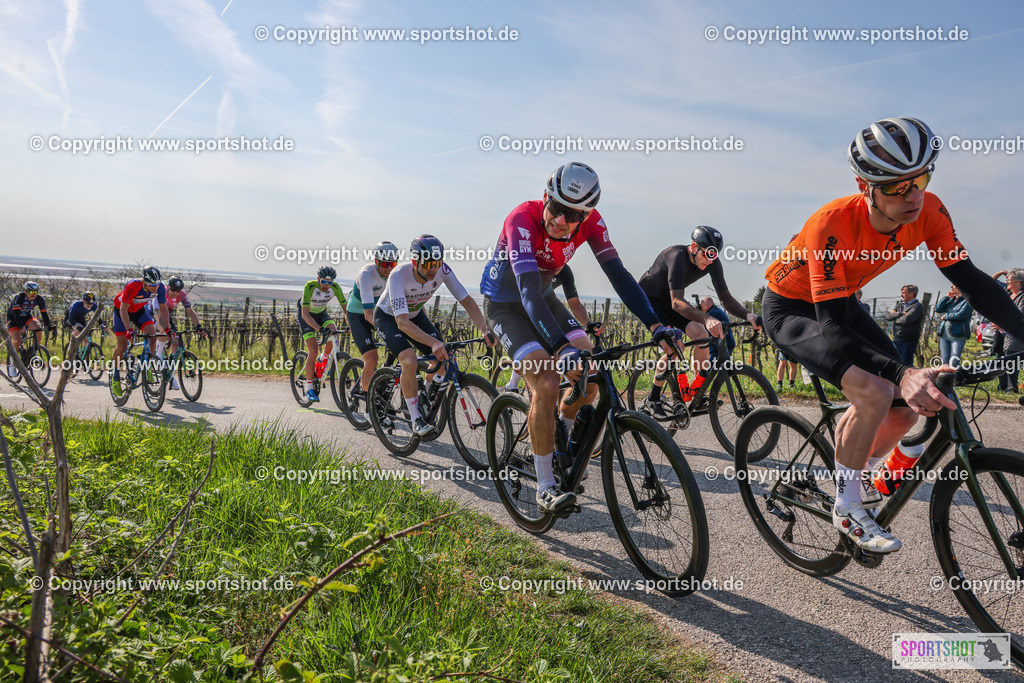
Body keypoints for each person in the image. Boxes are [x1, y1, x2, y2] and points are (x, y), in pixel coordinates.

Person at [762, 116, 1024, 554]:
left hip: (841, 300)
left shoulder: (931, 211)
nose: (913, 196)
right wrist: (902, 373)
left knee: (904, 414)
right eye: (897, 187)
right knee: (877, 390)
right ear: (865, 187)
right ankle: (846, 505)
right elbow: (832, 328)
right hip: (792, 308)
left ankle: (855, 470)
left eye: (920, 179)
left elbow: (974, 284)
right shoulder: (830, 225)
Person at [480, 162, 681, 514]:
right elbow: (527, 291)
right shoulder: (521, 219)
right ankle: (545, 486)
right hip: (506, 304)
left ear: (586, 215)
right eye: (556, 207)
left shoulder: (593, 223)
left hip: (544, 299)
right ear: (545, 197)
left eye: (573, 215)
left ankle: (561, 435)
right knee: (546, 382)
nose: (561, 220)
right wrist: (560, 348)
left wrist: (654, 324)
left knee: (591, 371)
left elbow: (619, 275)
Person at [376, 235, 495, 436]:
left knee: (443, 359)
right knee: (409, 360)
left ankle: (424, 395)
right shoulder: (398, 275)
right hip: (389, 318)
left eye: (437, 263)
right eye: (428, 264)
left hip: (415, 314)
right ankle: (415, 419)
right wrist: (433, 342)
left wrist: (484, 329)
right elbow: (401, 322)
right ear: (415, 262)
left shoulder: (443, 271)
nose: (433, 269)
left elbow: (466, 300)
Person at [637, 227, 762, 412]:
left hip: (671, 300)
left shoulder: (711, 262)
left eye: (715, 255)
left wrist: (748, 315)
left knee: (701, 335)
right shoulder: (677, 256)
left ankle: (697, 392)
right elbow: (677, 302)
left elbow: (725, 298)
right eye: (707, 254)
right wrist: (708, 318)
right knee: (674, 347)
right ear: (694, 247)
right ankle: (653, 397)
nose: (710, 260)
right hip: (649, 301)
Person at [503, 264, 602, 393]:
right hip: (523, 307)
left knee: (564, 350)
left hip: (548, 305)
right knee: (532, 356)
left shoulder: (565, 271)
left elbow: (574, 303)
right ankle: (512, 384)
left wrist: (588, 323)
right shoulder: (532, 264)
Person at [346, 241, 399, 418]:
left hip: (378, 312)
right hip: (358, 315)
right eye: (385, 264)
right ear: (376, 262)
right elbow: (368, 314)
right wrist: (388, 333)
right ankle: (369, 404)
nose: (389, 268)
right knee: (372, 358)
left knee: (398, 346)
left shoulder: (395, 274)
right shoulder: (366, 275)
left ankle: (381, 384)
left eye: (393, 264)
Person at [111, 267, 169, 397]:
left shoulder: (160, 288)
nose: (154, 287)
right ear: (144, 281)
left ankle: (147, 368)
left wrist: (167, 328)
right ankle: (115, 376)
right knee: (122, 346)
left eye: (156, 284)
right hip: (121, 312)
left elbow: (163, 309)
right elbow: (123, 309)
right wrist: (128, 330)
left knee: (152, 336)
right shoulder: (134, 285)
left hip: (138, 312)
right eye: (151, 285)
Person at [147, 276, 206, 390]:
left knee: (176, 341)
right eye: (173, 289)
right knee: (165, 328)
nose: (175, 293)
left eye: (178, 290)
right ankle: (158, 354)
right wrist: (165, 327)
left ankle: (170, 373)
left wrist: (198, 326)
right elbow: (157, 313)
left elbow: (190, 311)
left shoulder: (182, 295)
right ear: (168, 287)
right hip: (152, 313)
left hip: (166, 314)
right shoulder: (161, 292)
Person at [298, 266, 347, 402]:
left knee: (334, 332)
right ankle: (309, 388)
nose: (326, 285)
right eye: (324, 281)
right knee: (313, 350)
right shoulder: (310, 286)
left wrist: (352, 325)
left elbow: (346, 310)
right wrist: (319, 329)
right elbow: (305, 314)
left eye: (330, 282)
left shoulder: (335, 288)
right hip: (307, 316)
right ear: (318, 279)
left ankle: (323, 359)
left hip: (321, 314)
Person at [5, 281, 55, 378]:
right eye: (31, 292)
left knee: (38, 328)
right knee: (17, 340)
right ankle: (12, 364)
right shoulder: (19, 297)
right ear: (25, 291)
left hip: (26, 316)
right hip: (13, 318)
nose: (34, 294)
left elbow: (44, 313)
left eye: (35, 292)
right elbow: (16, 314)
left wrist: (49, 326)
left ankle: (34, 351)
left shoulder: (39, 299)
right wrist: (21, 326)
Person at [934, 285, 972, 369]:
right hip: (945, 335)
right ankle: (946, 377)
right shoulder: (951, 300)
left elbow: (962, 315)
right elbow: (938, 309)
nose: (951, 287)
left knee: (954, 362)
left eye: (954, 285)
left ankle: (955, 376)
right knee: (945, 362)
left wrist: (946, 316)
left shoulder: (967, 301)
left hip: (958, 334)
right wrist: (946, 298)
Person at [884, 285, 924, 365]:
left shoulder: (918, 306)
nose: (901, 295)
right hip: (896, 339)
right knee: (895, 363)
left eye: (903, 293)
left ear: (911, 294)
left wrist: (894, 317)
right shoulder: (900, 305)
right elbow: (887, 316)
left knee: (905, 364)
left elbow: (906, 320)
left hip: (908, 341)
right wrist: (901, 314)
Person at [999, 269, 1024, 393]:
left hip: (1015, 333)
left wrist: (1002, 322)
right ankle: (1004, 386)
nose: (1007, 282)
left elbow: (1020, 315)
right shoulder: (1008, 294)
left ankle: (1012, 388)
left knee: (1012, 358)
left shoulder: (1022, 297)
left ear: (1018, 282)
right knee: (1003, 358)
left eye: (1009, 280)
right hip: (1004, 333)